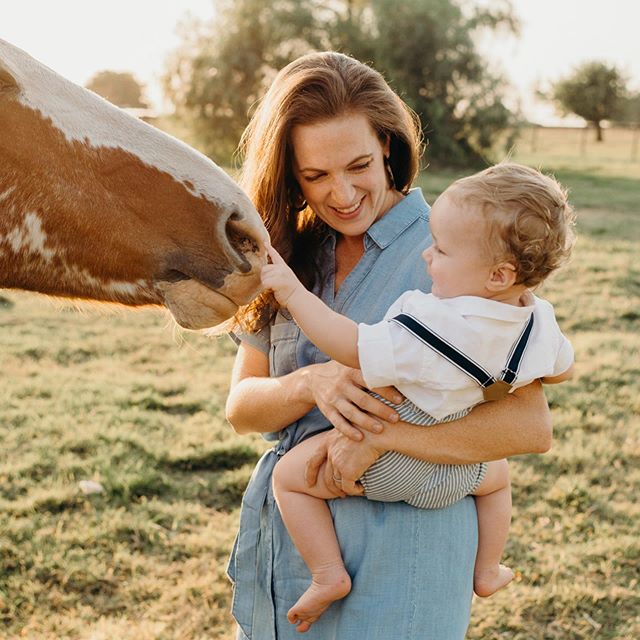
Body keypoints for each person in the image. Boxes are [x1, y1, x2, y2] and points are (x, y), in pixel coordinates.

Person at [225, 51, 554, 640]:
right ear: (289, 174)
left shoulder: (456, 250)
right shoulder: (287, 255)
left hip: (407, 562)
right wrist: (309, 382)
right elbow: (242, 409)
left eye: (358, 165)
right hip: (293, 552)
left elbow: (528, 426)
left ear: (387, 144)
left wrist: (380, 440)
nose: (343, 193)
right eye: (316, 176)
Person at [261, 162, 576, 631]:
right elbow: (563, 370)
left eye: (442, 250)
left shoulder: (432, 324)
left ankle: (327, 573)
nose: (427, 256)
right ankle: (488, 568)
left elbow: (349, 346)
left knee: (289, 478)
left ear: (497, 275)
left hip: (386, 464)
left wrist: (292, 292)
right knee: (500, 478)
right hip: (462, 472)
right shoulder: (536, 322)